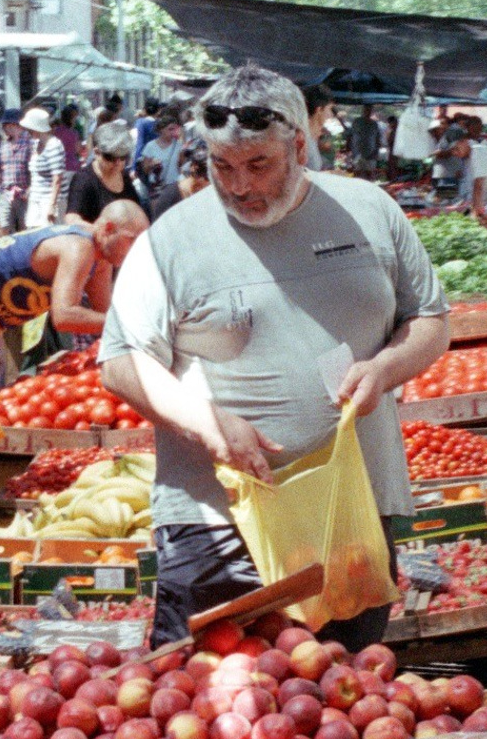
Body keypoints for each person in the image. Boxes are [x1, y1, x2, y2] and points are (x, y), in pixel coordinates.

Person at [100, 64, 449, 650]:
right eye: (221, 166)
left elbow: (431, 322)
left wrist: (385, 369)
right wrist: (211, 426)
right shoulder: (171, 238)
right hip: (218, 523)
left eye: (258, 165)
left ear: (299, 145)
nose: (239, 186)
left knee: (345, 701)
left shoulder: (369, 212)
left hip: (353, 516)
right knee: (205, 708)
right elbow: (121, 361)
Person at [0, 205, 147, 341]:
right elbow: (64, 316)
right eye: (131, 240)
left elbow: (105, 316)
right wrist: (128, 325)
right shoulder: (80, 247)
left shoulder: (101, 259)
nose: (136, 249)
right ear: (108, 229)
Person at [65, 121, 149, 222]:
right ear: (96, 152)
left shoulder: (125, 177)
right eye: (111, 157)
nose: (118, 163)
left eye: (123, 157)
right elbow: (71, 218)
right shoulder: (84, 180)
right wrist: (99, 230)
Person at [19, 105, 67, 225]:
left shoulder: (53, 145)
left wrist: (52, 205)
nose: (27, 131)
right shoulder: (36, 144)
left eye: (29, 129)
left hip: (49, 200)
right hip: (35, 198)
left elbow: (57, 178)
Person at [0, 106, 34, 231]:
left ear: (17, 125)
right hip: (5, 193)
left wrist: (31, 188)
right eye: (4, 125)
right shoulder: (4, 145)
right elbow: (0, 169)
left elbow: (34, 169)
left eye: (7, 125)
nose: (5, 128)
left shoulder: (30, 143)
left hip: (24, 193)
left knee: (25, 228)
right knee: (4, 226)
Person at [136, 111, 184, 200]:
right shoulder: (150, 146)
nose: (173, 132)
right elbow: (145, 170)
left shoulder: (178, 145)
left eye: (174, 129)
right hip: (156, 187)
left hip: (173, 186)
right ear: (161, 130)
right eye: (170, 129)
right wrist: (152, 165)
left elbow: (181, 166)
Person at [302, 84, 335, 171]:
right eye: (330, 109)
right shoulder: (302, 140)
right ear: (319, 110)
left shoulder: (311, 137)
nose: (331, 115)